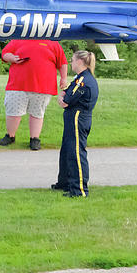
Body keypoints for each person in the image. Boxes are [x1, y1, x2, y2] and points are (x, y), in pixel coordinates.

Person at [0, 39, 68, 150]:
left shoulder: (52, 42)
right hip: (18, 85)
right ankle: (10, 136)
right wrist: (12, 58)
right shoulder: (18, 38)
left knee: (37, 113)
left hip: (43, 86)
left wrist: (64, 78)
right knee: (13, 112)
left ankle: (34, 139)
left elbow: (62, 62)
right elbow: (5, 53)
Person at [53, 51, 99, 198]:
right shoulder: (80, 78)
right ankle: (65, 183)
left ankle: (79, 189)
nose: (71, 63)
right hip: (72, 116)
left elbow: (66, 100)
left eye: (72, 60)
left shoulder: (84, 80)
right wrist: (63, 97)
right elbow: (65, 93)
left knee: (76, 152)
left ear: (80, 62)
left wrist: (63, 99)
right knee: (67, 150)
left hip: (78, 117)